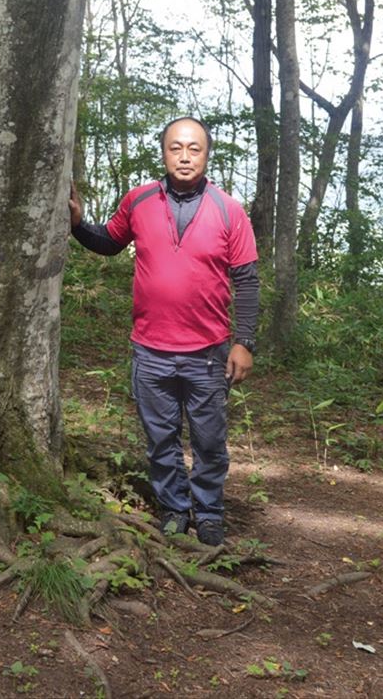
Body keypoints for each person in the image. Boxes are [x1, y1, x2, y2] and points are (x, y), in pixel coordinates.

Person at [68, 117, 259, 547]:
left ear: (207, 154)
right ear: (164, 152)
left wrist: (243, 342)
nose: (185, 156)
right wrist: (79, 224)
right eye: (176, 148)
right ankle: (174, 510)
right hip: (151, 351)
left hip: (208, 353)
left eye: (194, 148)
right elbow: (110, 242)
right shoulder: (139, 201)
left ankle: (209, 513)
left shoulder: (229, 209)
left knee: (210, 443)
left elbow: (247, 280)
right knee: (161, 441)